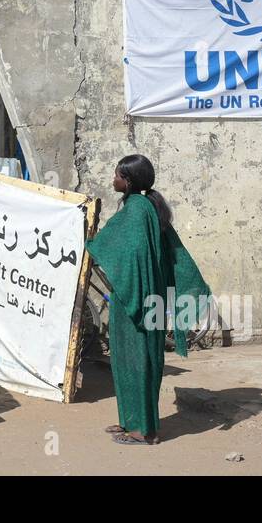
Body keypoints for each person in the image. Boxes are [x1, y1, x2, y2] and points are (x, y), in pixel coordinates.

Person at [84, 154, 212, 446]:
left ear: (128, 181)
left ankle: (145, 431)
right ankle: (131, 420)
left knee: (140, 362)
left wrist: (91, 243)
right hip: (140, 300)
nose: (112, 179)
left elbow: (126, 251)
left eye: (117, 174)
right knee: (126, 361)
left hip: (137, 303)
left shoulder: (137, 210)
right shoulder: (145, 206)